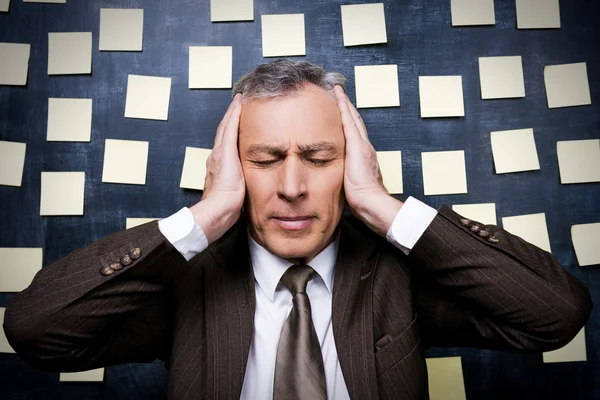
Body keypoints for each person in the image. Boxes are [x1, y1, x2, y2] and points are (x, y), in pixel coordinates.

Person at [3, 59, 593, 400]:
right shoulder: (190, 283)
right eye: (263, 160)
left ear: (352, 161)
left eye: (318, 157)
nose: (291, 186)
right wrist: (209, 213)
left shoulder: (397, 275)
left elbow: (555, 315)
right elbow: (34, 330)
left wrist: (378, 203)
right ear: (233, 164)